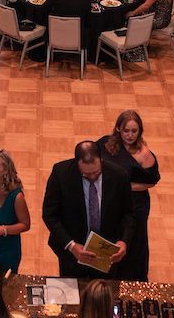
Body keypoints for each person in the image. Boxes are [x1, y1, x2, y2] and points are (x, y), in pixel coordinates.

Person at [41, 140, 135, 279]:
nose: (92, 177)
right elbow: (50, 214)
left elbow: (129, 213)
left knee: (103, 295)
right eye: (86, 174)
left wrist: (123, 241)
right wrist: (72, 246)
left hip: (107, 254)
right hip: (73, 254)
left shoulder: (119, 175)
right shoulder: (61, 174)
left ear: (101, 160)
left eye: (96, 172)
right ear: (77, 163)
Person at [97, 111, 160, 280]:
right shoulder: (105, 144)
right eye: (126, 131)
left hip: (135, 204)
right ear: (118, 129)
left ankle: (131, 277)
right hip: (112, 201)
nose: (130, 135)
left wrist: (126, 187)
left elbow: (152, 181)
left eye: (134, 131)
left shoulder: (144, 154)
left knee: (133, 240)